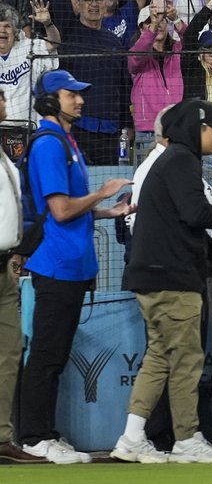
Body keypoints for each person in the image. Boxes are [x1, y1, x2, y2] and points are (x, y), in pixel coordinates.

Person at [112, 100, 212, 464]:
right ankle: (186, 439)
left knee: (160, 358)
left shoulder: (173, 160)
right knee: (185, 360)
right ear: (198, 129)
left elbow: (184, 225)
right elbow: (196, 213)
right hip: (172, 278)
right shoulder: (181, 159)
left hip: (155, 274)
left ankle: (132, 437)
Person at [19, 70, 131, 464]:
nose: (80, 100)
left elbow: (71, 209)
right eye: (71, 95)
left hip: (71, 265)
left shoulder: (65, 140)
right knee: (47, 355)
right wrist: (101, 192)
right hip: (56, 265)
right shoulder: (50, 145)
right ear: (51, 100)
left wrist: (106, 210)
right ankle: (33, 436)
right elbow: (61, 209)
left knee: (55, 355)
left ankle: (45, 432)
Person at [0, 89, 44, 464]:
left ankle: (1, 438)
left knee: (10, 351)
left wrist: (18, 249)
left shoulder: (5, 156)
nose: (3, 103)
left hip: (6, 267)